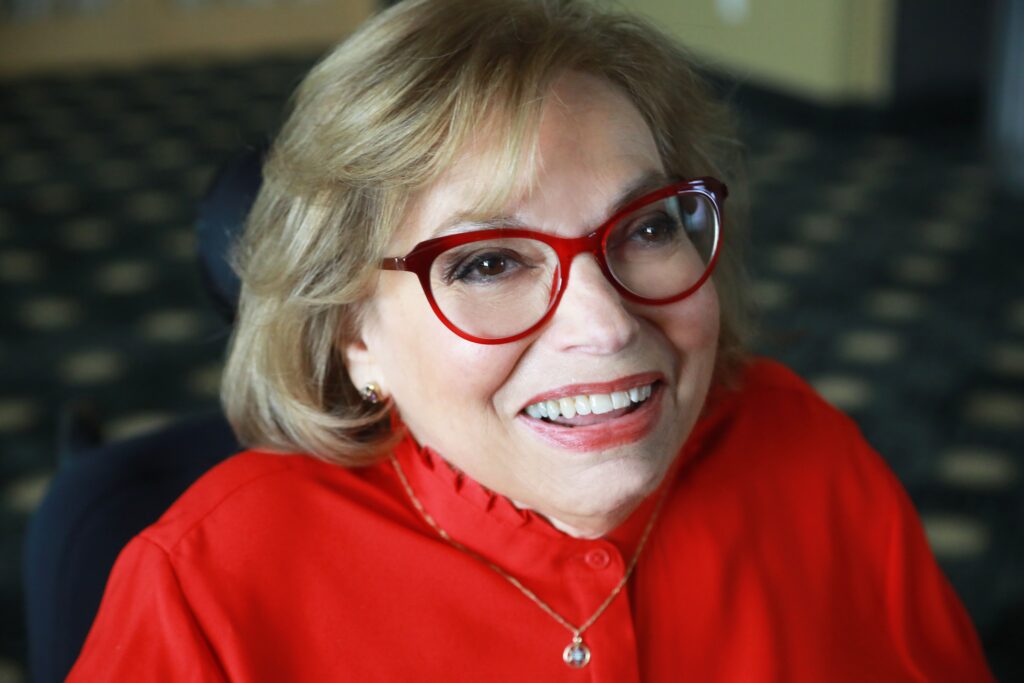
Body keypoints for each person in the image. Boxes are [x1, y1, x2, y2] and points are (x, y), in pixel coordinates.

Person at [69, 0, 994, 680]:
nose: (605, 325)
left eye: (644, 226)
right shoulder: (207, 591)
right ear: (352, 333)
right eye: (485, 263)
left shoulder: (809, 457)